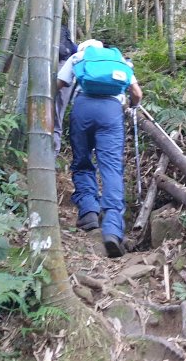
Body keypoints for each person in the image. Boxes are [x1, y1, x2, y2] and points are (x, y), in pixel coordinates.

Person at [57, 39, 142, 258]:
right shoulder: (119, 60)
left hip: (83, 108)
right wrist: (131, 105)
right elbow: (136, 93)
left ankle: (88, 213)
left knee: (83, 162)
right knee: (112, 169)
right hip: (111, 111)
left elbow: (59, 83)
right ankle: (113, 229)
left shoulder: (79, 57)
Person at [53, 21, 77, 153]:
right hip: (64, 69)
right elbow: (76, 52)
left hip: (50, 68)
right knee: (58, 113)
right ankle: (54, 151)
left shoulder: (48, 31)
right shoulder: (68, 41)